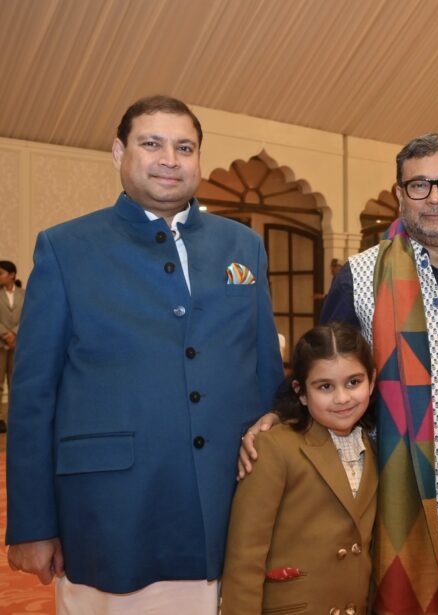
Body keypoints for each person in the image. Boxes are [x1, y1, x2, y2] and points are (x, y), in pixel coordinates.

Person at [242, 133, 438, 614]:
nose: (435, 197)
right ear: (399, 195)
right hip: (395, 504)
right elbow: (326, 368)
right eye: (419, 186)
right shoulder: (359, 274)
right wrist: (277, 415)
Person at [5, 96, 284, 614]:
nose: (169, 159)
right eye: (151, 143)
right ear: (119, 151)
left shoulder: (242, 247)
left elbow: (267, 375)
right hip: (111, 514)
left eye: (184, 147)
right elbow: (33, 395)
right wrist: (32, 524)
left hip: (227, 504)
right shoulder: (66, 248)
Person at [221, 323, 377, 615]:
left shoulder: (376, 447)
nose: (342, 398)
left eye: (354, 382)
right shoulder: (275, 448)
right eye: (325, 386)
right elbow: (245, 558)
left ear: (372, 380)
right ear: (301, 392)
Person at [0, 260, 24, 433]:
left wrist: (15, 334)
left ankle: (15, 421)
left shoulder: (24, 294)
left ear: (12, 275)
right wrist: (5, 334)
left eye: (1, 273)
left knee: (16, 383)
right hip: (0, 344)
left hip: (19, 344)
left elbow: (28, 314)